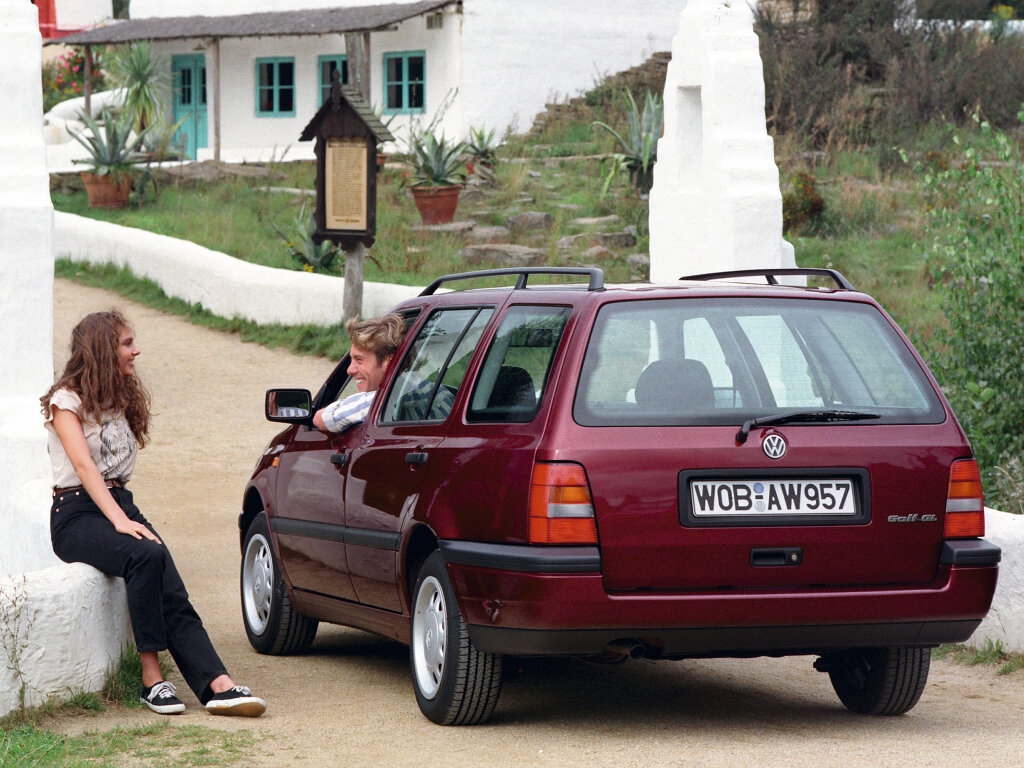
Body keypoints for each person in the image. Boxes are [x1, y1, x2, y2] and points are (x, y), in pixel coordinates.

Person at [41, 310, 266, 718]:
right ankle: (151, 678)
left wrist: (123, 515)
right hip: (76, 513)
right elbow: (85, 467)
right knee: (143, 554)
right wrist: (120, 522)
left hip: (118, 505)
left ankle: (216, 684)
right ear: (103, 349)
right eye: (127, 343)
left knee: (169, 581)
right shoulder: (65, 401)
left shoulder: (119, 395)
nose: (136, 350)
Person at [313, 313, 406, 432]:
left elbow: (320, 419)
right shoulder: (423, 390)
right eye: (351, 360)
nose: (349, 370)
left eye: (359, 360)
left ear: (390, 362)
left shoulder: (374, 403)